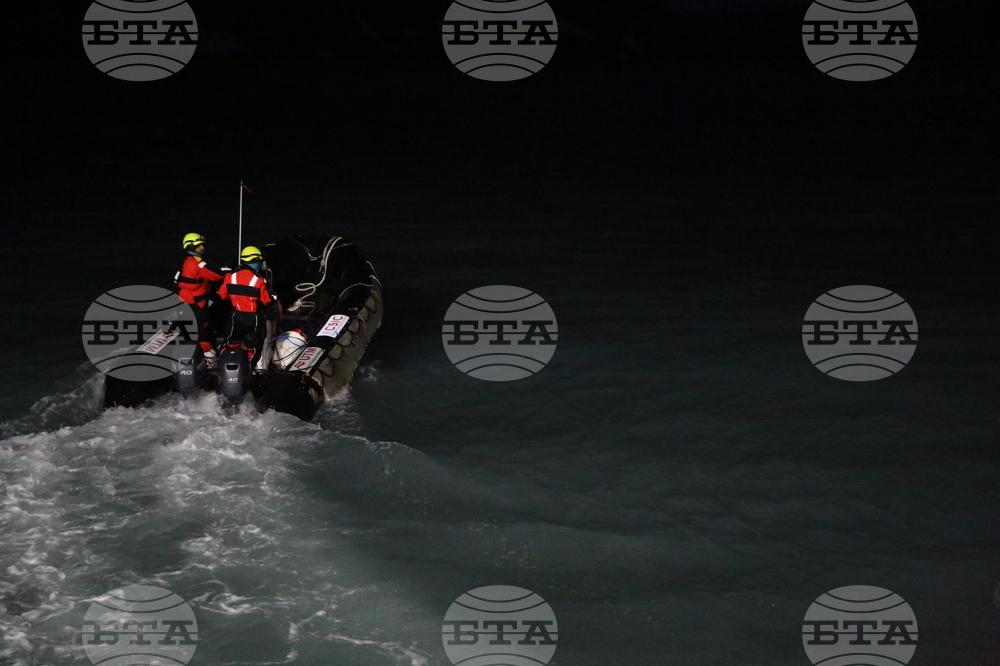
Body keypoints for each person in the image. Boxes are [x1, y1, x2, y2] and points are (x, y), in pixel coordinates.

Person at [217, 246, 277, 367]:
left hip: (236, 316)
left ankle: (223, 364)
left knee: (231, 343)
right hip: (253, 318)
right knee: (253, 347)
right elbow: (266, 301)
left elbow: (222, 295)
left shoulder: (230, 276)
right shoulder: (259, 280)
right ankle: (249, 367)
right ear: (256, 261)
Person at [175, 233, 224, 366]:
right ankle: (209, 363)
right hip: (198, 304)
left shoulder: (183, 261)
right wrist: (227, 272)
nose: (202, 247)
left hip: (183, 302)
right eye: (199, 245)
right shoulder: (198, 264)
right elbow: (215, 275)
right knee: (203, 333)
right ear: (192, 246)